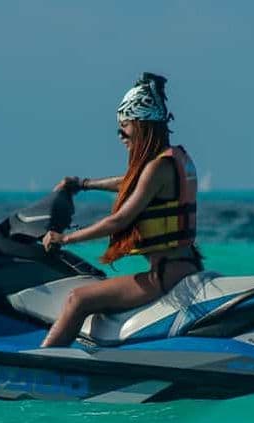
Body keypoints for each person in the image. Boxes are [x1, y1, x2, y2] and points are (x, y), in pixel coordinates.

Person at [40, 72, 202, 347]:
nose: (120, 135)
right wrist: (84, 184)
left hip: (164, 275)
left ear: (141, 125)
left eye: (124, 127)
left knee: (78, 299)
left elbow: (120, 220)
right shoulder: (173, 159)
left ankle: (41, 367)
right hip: (182, 267)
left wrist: (64, 239)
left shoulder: (157, 167)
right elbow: (131, 182)